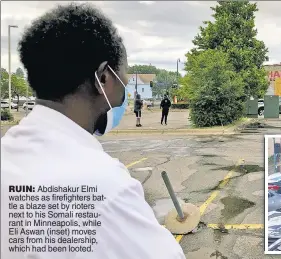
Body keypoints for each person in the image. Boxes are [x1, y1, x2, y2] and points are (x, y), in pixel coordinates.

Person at [1, 3, 185, 259]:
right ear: (104, 79)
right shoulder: (105, 187)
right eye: (124, 78)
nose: (125, 93)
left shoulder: (8, 155)